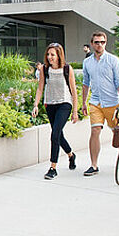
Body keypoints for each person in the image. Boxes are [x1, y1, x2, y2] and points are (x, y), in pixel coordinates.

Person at [80, 31, 119, 176]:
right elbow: (86, 83)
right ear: (92, 44)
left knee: (117, 133)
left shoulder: (113, 60)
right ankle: (93, 165)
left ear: (105, 43)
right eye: (97, 42)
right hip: (96, 103)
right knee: (95, 131)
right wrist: (84, 103)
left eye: (102, 42)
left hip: (113, 102)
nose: (99, 45)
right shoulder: (87, 62)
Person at [32, 43, 78, 180]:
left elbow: (73, 90)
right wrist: (36, 105)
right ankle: (71, 155)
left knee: (55, 134)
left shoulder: (67, 69)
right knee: (58, 135)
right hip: (50, 104)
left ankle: (53, 168)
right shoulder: (44, 69)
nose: (49, 57)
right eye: (48, 54)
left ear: (59, 55)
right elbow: (40, 88)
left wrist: (75, 111)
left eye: (52, 54)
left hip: (64, 104)